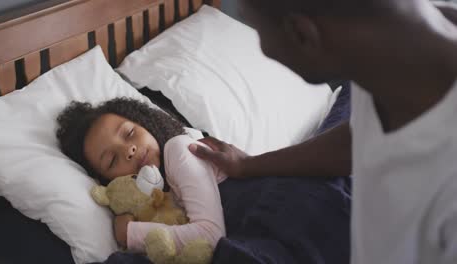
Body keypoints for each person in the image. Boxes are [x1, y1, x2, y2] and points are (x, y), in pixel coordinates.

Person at [189, 0, 457, 263]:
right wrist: (248, 165)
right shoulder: (394, 42)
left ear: (302, 34)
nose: (261, 46)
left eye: (258, 30)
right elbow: (358, 136)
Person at [55, 97, 226, 253]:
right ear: (108, 182)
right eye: (112, 160)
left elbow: (212, 237)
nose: (129, 150)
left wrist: (130, 233)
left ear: (146, 124)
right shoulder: (148, 205)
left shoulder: (178, 149)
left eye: (130, 133)